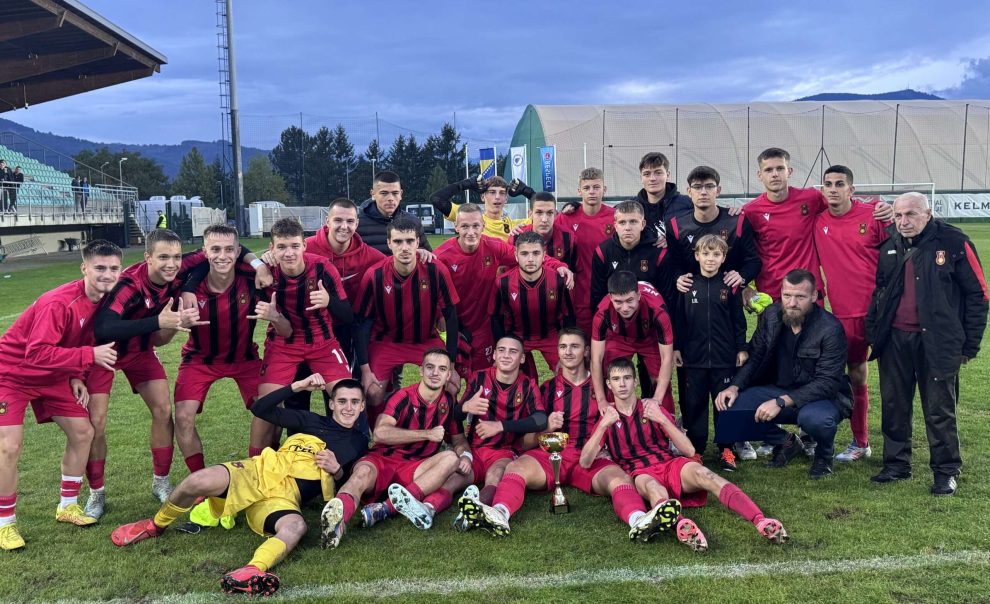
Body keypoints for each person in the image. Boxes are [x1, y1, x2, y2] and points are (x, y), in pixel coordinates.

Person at [110, 374, 368, 596]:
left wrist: (337, 469)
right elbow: (261, 409)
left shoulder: (358, 443)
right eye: (342, 401)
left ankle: (252, 570)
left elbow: (350, 488)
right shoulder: (310, 421)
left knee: (296, 527)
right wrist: (296, 387)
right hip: (256, 472)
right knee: (197, 480)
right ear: (331, 403)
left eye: (354, 402)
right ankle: (155, 525)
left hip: (283, 497)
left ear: (362, 406)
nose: (348, 408)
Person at [458, 328, 676, 542]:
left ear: (586, 351)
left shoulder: (605, 388)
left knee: (620, 480)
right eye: (563, 347)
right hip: (551, 454)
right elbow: (525, 442)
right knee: (515, 468)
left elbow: (627, 420)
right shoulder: (547, 389)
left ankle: (639, 520)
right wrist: (546, 428)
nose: (568, 352)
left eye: (574, 346)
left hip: (591, 456)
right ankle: (499, 513)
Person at [580, 358, 788, 551]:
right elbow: (585, 461)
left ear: (635, 381)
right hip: (640, 473)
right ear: (609, 384)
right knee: (654, 488)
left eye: (626, 378)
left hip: (669, 464)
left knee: (707, 475)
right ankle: (683, 526)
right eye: (616, 379)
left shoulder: (651, 408)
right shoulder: (607, 417)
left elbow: (689, 450)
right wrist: (602, 426)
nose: (622, 384)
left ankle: (760, 520)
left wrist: (662, 419)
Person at [0, 241, 122, 551]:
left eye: (113, 268)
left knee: (83, 432)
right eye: (99, 268)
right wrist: (88, 356)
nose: (107, 274)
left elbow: (69, 341)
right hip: (12, 374)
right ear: (84, 268)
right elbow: (36, 353)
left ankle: (67, 506)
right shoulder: (58, 302)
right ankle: (5, 524)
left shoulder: (104, 303)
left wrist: (75, 375)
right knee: (9, 446)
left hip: (53, 376)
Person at [866, 192, 988, 496]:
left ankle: (946, 471)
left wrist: (969, 345)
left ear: (928, 213)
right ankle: (896, 465)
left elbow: (979, 294)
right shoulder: (891, 243)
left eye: (911, 214)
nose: (903, 221)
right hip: (895, 340)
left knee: (939, 409)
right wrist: (874, 331)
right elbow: (880, 291)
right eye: (898, 215)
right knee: (894, 405)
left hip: (938, 341)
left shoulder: (954, 241)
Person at [87, 230, 215, 512]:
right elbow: (104, 328)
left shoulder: (179, 269)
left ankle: (161, 481)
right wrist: (158, 322)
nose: (172, 264)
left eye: (177, 257)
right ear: (148, 258)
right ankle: (96, 492)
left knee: (163, 410)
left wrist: (189, 287)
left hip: (139, 351)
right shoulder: (129, 284)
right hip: (103, 352)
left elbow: (209, 257)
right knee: (96, 422)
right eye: (163, 257)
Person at [320, 349, 469, 547]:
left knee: (451, 458)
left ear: (448, 375)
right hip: (383, 460)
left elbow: (459, 440)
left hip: (415, 468)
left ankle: (384, 509)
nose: (435, 373)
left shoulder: (448, 402)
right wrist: (426, 434)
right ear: (421, 371)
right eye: (430, 367)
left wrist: (466, 456)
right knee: (361, 474)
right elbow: (380, 433)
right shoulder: (403, 396)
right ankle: (336, 523)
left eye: (442, 369)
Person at [714, 269, 852, 479]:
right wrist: (734, 386)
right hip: (778, 390)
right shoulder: (771, 315)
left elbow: (827, 383)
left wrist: (780, 402)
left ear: (814, 296)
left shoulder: (830, 329)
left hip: (820, 399)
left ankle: (824, 456)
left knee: (816, 420)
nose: (792, 303)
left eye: (800, 297)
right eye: (787, 295)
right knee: (731, 406)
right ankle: (786, 442)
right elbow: (755, 356)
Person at [172, 225, 283, 474]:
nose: (222, 256)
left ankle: (260, 473)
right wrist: (181, 312)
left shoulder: (251, 277)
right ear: (204, 252)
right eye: (215, 250)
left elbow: (282, 287)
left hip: (244, 358)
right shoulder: (186, 284)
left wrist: (260, 265)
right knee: (183, 417)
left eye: (229, 250)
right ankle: (200, 479)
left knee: (273, 411)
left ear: (237, 252)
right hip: (199, 359)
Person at [251, 218, 353, 453]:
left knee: (348, 398)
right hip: (282, 344)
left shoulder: (322, 267)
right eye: (282, 247)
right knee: (265, 405)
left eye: (295, 246)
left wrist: (329, 302)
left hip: (323, 342)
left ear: (304, 245)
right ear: (271, 248)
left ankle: (350, 459)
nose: (289, 253)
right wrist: (274, 316)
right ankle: (254, 464)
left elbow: (348, 315)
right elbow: (285, 331)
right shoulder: (266, 274)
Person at [742, 147, 892, 302]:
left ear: (789, 171)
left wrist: (877, 205)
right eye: (768, 170)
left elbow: (844, 204)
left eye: (780, 168)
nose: (775, 174)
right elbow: (739, 252)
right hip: (773, 293)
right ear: (760, 175)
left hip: (810, 290)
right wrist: (744, 286)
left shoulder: (810, 198)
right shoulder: (750, 211)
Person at [436, 204, 571, 373]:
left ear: (483, 225)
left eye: (476, 226)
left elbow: (527, 255)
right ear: (456, 227)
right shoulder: (442, 255)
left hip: (484, 325)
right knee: (449, 376)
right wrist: (438, 314)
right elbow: (428, 284)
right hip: (455, 324)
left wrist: (558, 265)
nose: (471, 232)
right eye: (464, 226)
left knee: (482, 377)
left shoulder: (494, 246)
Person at [813, 165, 890, 462]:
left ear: (851, 189)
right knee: (856, 375)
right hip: (845, 314)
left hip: (882, 312)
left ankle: (897, 448)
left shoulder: (874, 215)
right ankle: (861, 442)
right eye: (828, 184)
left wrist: (887, 207)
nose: (833, 189)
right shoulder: (818, 221)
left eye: (840, 184)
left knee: (893, 381)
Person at [355, 217, 461, 421]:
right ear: (389, 243)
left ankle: (446, 434)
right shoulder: (375, 275)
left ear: (418, 242)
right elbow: (361, 324)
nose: (404, 247)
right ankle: (381, 433)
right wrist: (365, 370)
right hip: (387, 341)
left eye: (410, 241)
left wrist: (452, 365)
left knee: (451, 385)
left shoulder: (435, 270)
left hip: (426, 340)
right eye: (398, 241)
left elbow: (451, 317)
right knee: (373, 391)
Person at [452, 335, 548, 529]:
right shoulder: (479, 378)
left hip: (504, 451)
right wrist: (465, 407)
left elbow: (541, 419)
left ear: (522, 358)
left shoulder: (527, 384)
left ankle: (476, 509)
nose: (506, 355)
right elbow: (454, 416)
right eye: (501, 350)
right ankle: (428, 507)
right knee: (452, 480)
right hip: (474, 449)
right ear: (494, 355)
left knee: (497, 473)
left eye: (513, 351)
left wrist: (501, 426)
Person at [674, 235, 748, 471]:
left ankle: (727, 449)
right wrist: (677, 347)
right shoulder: (686, 286)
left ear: (723, 258)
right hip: (693, 359)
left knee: (724, 404)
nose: (710, 259)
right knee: (694, 405)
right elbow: (679, 321)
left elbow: (739, 321)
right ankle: (696, 450)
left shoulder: (729, 287)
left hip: (723, 359)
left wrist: (741, 348)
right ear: (697, 256)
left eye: (716, 254)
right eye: (705, 254)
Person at [491, 231, 575, 375]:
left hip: (551, 335)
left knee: (568, 371)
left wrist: (568, 346)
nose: (530, 259)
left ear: (544, 255)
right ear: (516, 256)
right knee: (512, 376)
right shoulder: (503, 283)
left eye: (536, 253)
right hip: (517, 336)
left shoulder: (558, 280)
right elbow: (496, 318)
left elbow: (569, 316)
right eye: (524, 254)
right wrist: (501, 346)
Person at [591, 271, 675, 414]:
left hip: (650, 338)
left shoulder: (657, 311)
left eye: (629, 300)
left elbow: (667, 358)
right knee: (612, 376)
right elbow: (596, 359)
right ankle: (614, 419)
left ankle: (667, 420)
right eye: (618, 302)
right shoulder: (602, 313)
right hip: (619, 338)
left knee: (661, 380)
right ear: (610, 298)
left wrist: (657, 399)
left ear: (638, 295)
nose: (624, 308)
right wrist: (601, 400)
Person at [667, 166, 761, 292]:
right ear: (689, 191)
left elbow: (753, 261)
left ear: (718, 190)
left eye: (709, 186)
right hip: (691, 297)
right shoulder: (676, 225)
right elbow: (672, 264)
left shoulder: (737, 221)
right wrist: (677, 278)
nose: (703, 192)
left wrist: (742, 277)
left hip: (730, 297)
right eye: (697, 187)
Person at [554, 167, 617, 334]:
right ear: (579, 191)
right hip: (576, 293)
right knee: (580, 343)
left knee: (606, 343)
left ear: (604, 189)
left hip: (608, 291)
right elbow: (543, 230)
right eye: (587, 188)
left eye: (596, 187)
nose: (592, 192)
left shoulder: (615, 217)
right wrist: (519, 230)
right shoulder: (566, 217)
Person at [590, 199, 679, 313]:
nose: (628, 228)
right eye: (622, 222)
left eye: (633, 222)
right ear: (615, 225)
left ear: (643, 224)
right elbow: (597, 297)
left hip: (650, 318)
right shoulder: (602, 252)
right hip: (615, 318)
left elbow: (668, 298)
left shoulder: (659, 253)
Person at [429, 175, 529, 240]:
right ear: (482, 197)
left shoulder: (516, 227)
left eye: (502, 193)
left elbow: (539, 211)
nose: (497, 197)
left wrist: (527, 191)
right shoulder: (469, 218)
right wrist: (464, 184)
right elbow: (437, 199)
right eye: (492, 192)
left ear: (506, 199)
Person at [356, 171, 432, 254]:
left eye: (395, 193)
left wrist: (421, 253)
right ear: (373, 194)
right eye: (384, 193)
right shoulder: (357, 224)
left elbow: (428, 254)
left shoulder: (413, 221)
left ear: (401, 194)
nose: (390, 198)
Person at [632, 152, 693, 245]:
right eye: (647, 174)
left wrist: (673, 242)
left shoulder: (688, 204)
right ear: (641, 178)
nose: (652, 178)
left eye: (658, 173)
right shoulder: (631, 207)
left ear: (667, 175)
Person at [508, 191, 578, 270]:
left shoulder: (568, 238)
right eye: (539, 212)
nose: (544, 219)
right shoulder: (516, 237)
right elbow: (509, 271)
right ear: (530, 214)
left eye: (549, 213)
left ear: (555, 214)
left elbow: (573, 272)